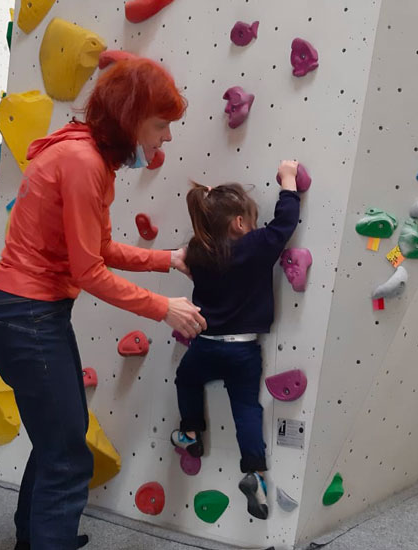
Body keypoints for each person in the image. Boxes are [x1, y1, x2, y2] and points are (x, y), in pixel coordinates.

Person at [0, 58, 206, 550]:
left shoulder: (89, 157)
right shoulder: (82, 162)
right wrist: (164, 308)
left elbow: (96, 249)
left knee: (64, 436)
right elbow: (90, 272)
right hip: (26, 317)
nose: (166, 137)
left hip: (31, 314)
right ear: (131, 116)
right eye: (161, 124)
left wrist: (167, 259)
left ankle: (34, 539)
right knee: (67, 455)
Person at [170, 161, 300, 520]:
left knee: (186, 379)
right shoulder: (256, 246)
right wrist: (288, 179)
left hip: (205, 343)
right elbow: (285, 222)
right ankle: (255, 473)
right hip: (243, 349)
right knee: (246, 408)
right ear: (240, 224)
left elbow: (186, 254)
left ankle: (191, 432)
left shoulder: (198, 251)